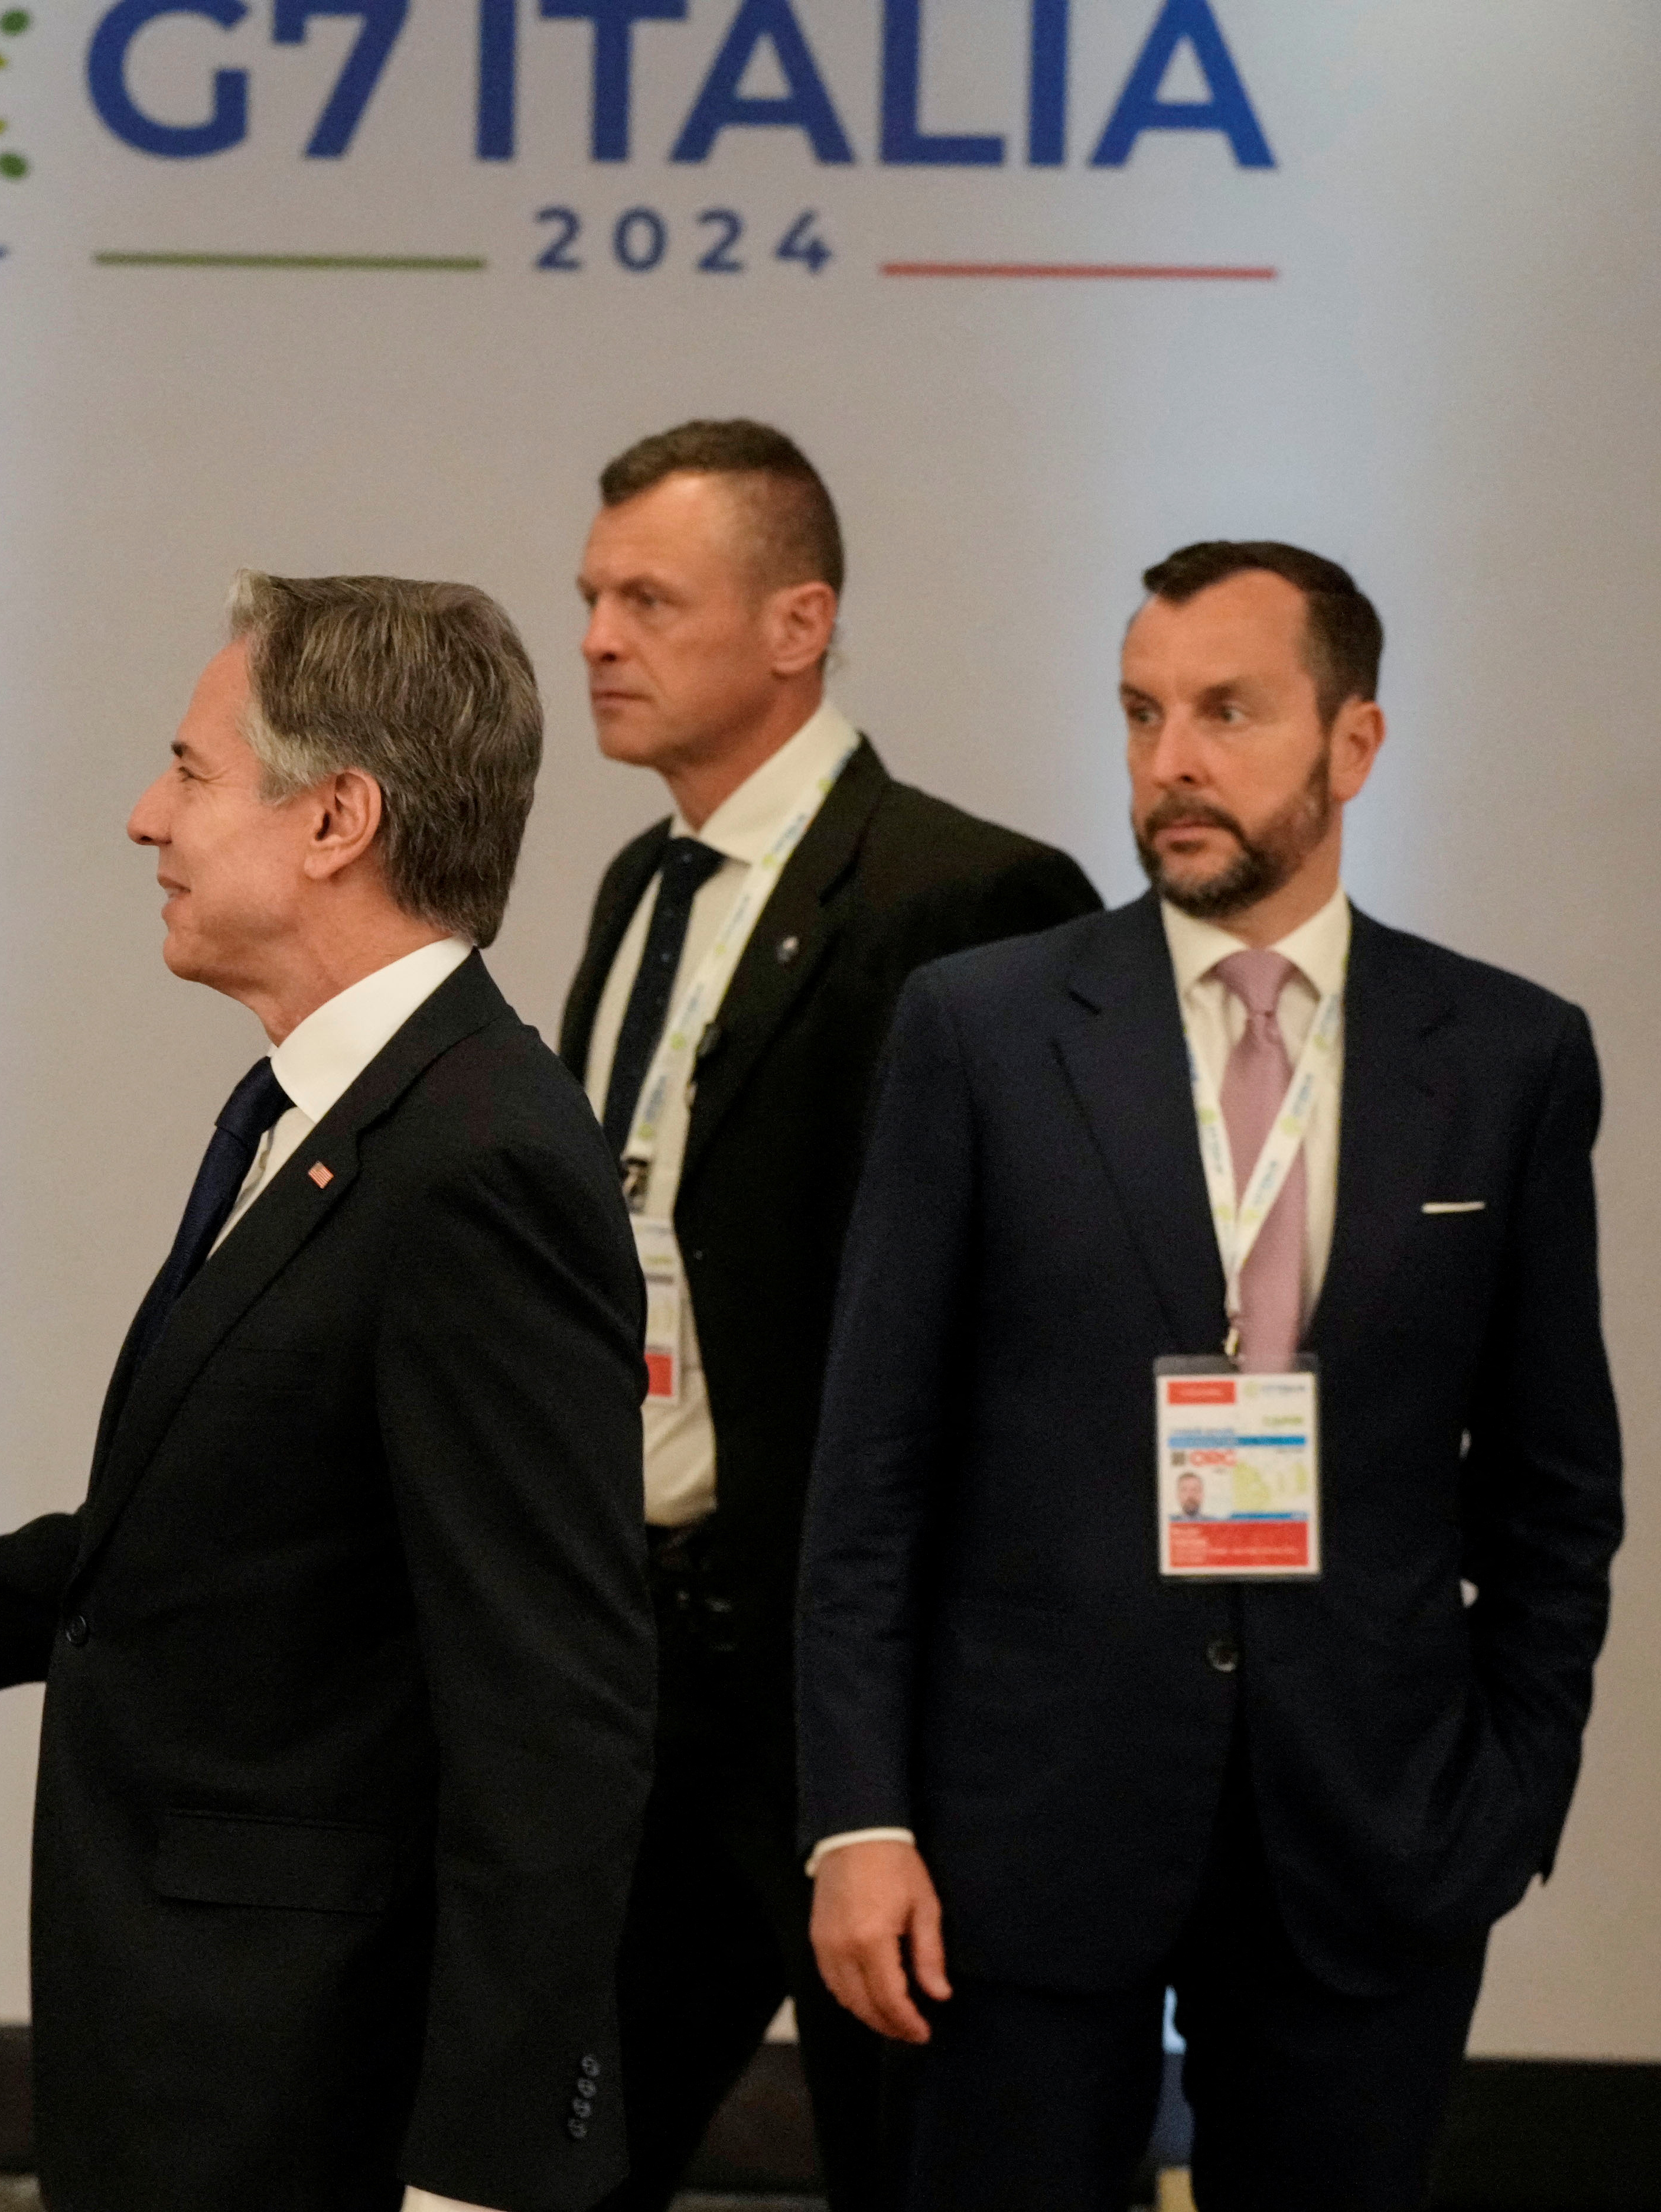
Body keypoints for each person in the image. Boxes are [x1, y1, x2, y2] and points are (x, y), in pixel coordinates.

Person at [0, 574, 660, 2211]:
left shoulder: (478, 1162)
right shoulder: (331, 1117)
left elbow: (554, 1711)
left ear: (335, 819)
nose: (147, 817)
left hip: (326, 2099)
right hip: (208, 2067)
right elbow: (190, 1546)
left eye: (191, 771)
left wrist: (483, 2174)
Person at [801, 542, 1625, 2209]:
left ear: (1355, 742)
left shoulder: (1509, 1057)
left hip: (1372, 1835)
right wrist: (860, 1819)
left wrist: (1505, 1804)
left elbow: (1556, 1489)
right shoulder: (982, 1029)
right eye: (1141, 713)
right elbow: (873, 1467)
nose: (1170, 760)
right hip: (1022, 1836)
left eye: (1227, 713)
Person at [551, 420, 1097, 2210]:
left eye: (649, 600)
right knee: (554, 2156)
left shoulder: (972, 897)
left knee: (919, 2167)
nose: (598, 638)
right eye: (592, 597)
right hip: (647, 1667)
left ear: (798, 626)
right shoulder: (640, 886)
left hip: (870, 1700)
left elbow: (1039, 1332)